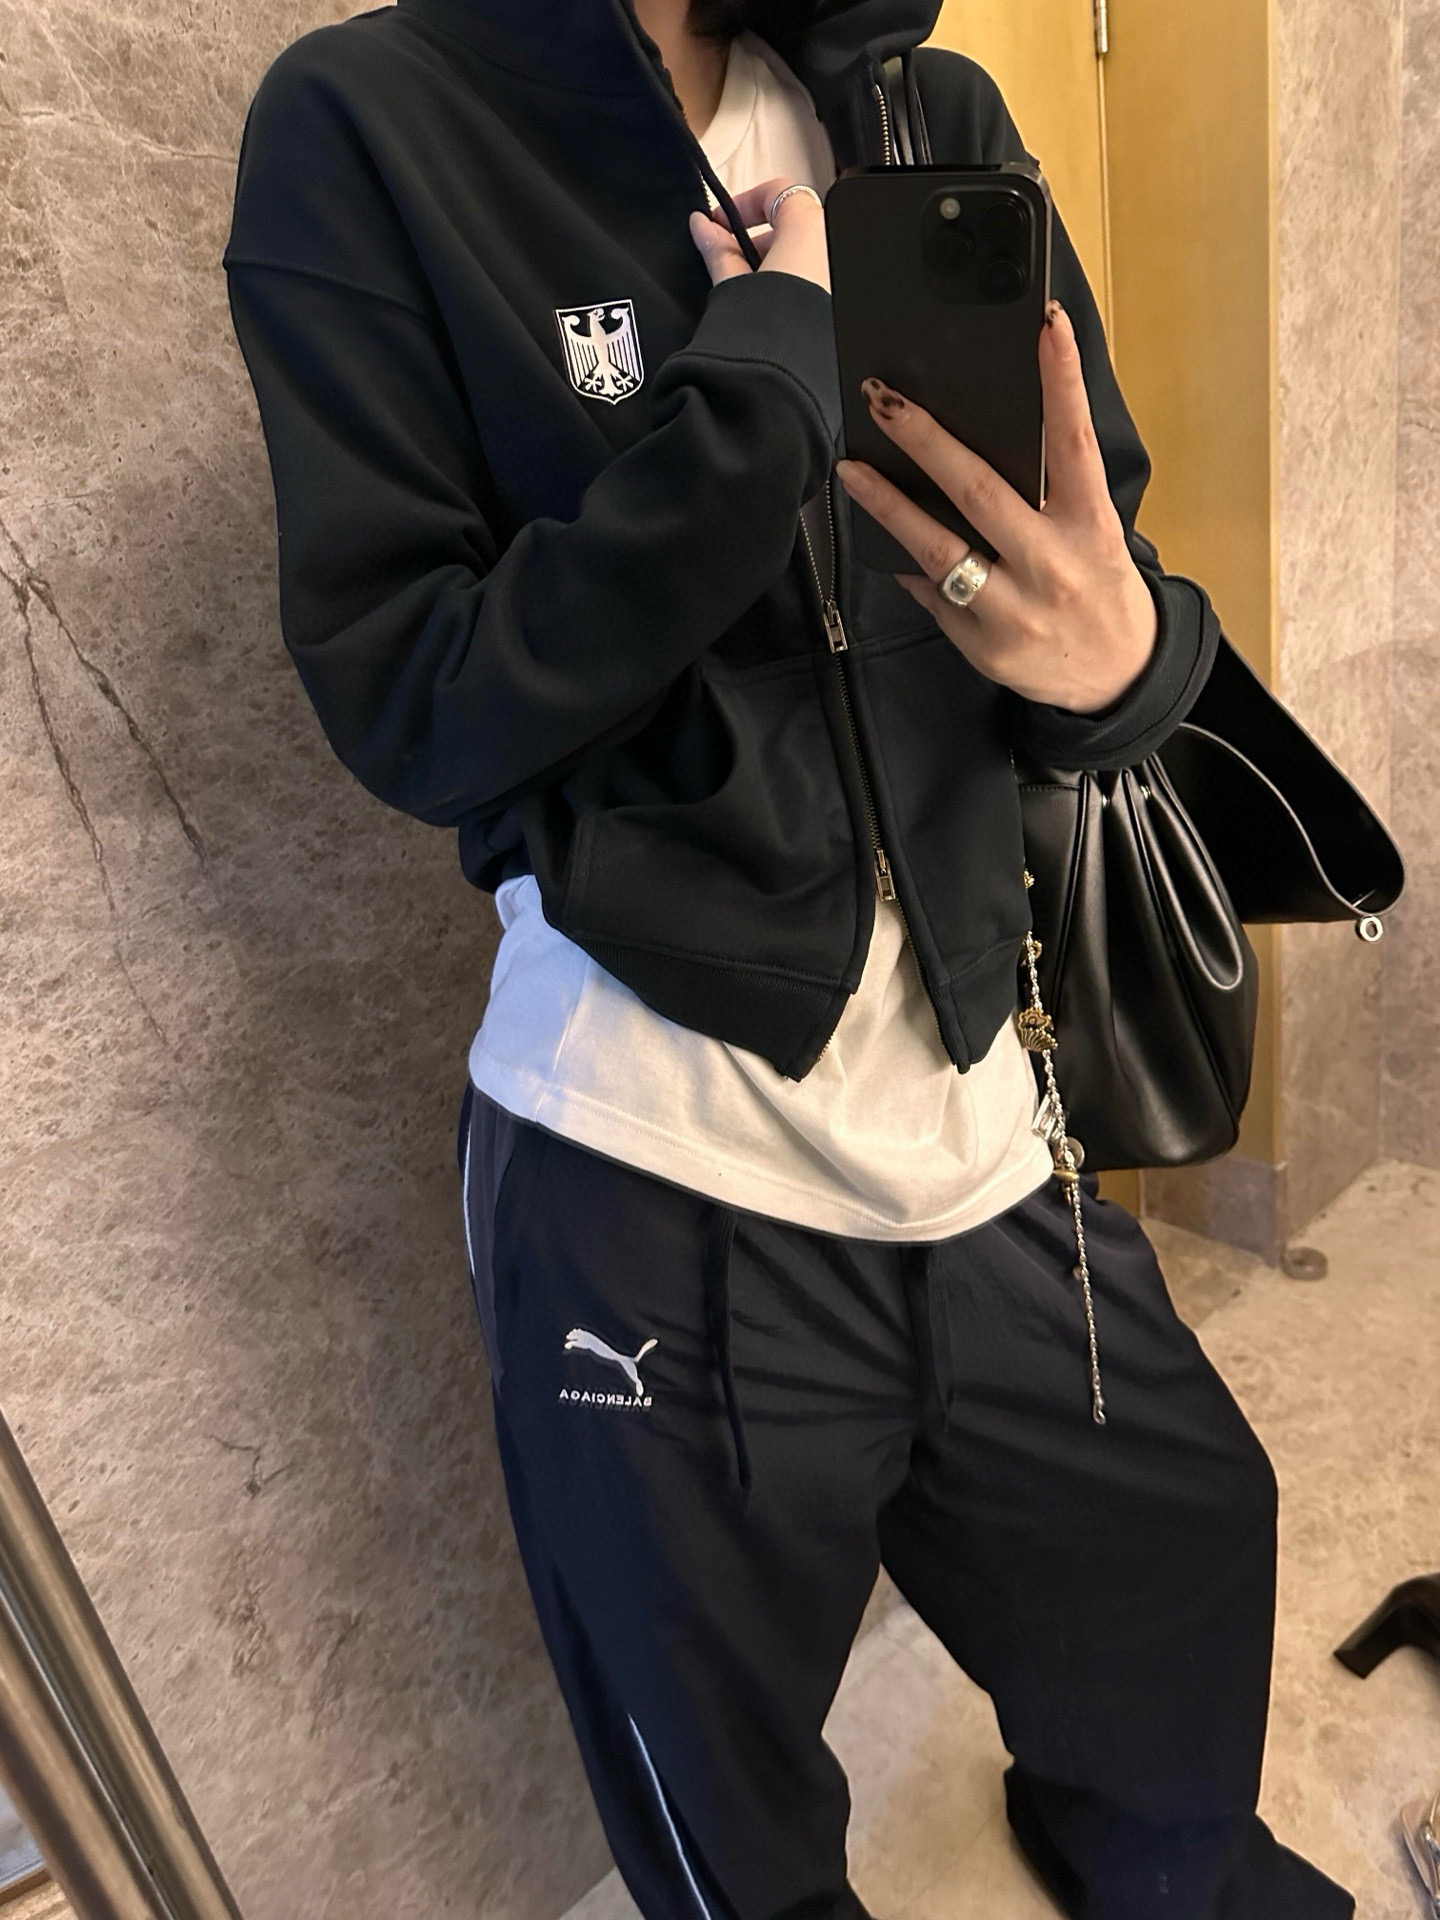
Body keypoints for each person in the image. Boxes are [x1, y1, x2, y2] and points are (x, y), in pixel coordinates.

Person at [223, 0, 1356, 1913]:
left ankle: (1158, 1863)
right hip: (652, 1156)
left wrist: (1121, 663)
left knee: (1177, 1552)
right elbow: (414, 699)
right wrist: (757, 388)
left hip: (986, 1108)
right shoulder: (369, 120)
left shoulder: (928, 104)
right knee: (725, 1806)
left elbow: (1092, 561)